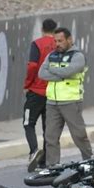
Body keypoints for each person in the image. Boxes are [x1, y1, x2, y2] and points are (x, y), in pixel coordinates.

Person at [38, 27, 93, 167]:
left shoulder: (78, 56)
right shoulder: (51, 55)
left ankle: (90, 162)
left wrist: (53, 70)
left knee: (79, 135)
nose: (57, 44)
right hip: (52, 102)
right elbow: (41, 74)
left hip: (71, 101)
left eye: (60, 41)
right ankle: (52, 166)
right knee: (50, 137)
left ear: (69, 40)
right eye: (55, 41)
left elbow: (68, 72)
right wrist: (59, 74)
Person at [24, 18, 57, 172]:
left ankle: (34, 151)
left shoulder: (37, 44)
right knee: (47, 126)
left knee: (28, 123)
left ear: (42, 29)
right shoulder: (59, 45)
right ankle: (44, 161)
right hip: (52, 92)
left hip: (36, 90)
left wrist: (27, 84)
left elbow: (32, 66)